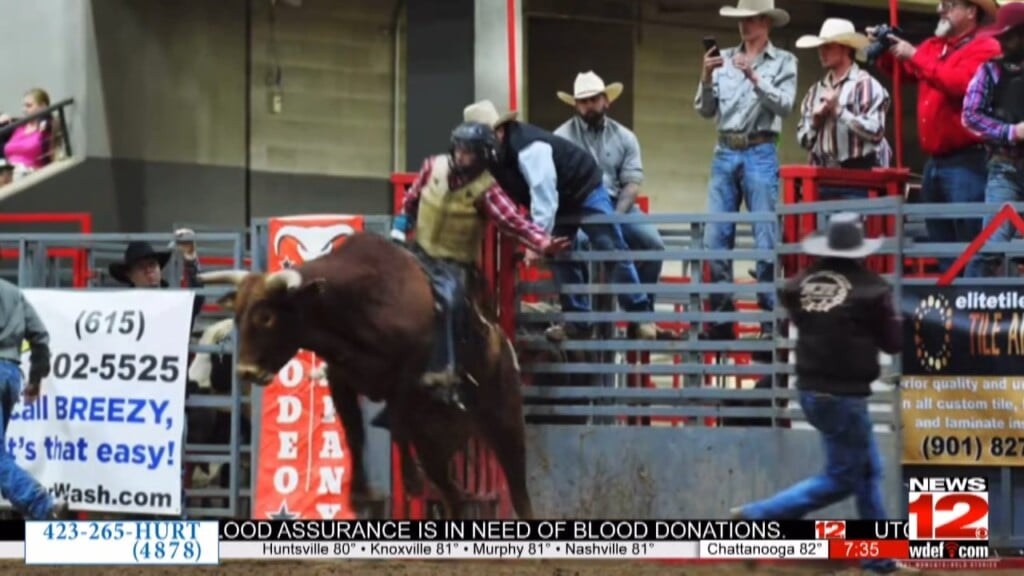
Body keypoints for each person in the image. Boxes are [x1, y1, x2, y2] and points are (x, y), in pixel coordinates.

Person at [729, 212, 911, 574]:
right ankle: (758, 517)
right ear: (859, 249)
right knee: (846, 475)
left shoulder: (801, 284)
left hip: (812, 392)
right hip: (844, 396)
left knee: (864, 470)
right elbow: (893, 343)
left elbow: (802, 318)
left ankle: (879, 558)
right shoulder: (872, 289)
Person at [390, 121, 572, 411]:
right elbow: (410, 201)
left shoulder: (487, 190)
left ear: (483, 156)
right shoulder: (432, 167)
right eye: (459, 149)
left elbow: (513, 222)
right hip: (419, 252)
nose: (461, 157)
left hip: (454, 265)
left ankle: (445, 372)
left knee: (449, 301)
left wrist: (542, 242)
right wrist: (400, 228)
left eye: (469, 153)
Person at [464, 99, 659, 341]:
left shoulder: (528, 148)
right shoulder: (493, 156)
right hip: (561, 199)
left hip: (584, 188)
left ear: (498, 131)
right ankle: (579, 322)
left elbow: (544, 196)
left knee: (609, 244)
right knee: (560, 253)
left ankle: (640, 316)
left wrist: (536, 241)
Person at [870, 0, 1001, 278]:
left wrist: (913, 56)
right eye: (942, 3)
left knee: (970, 241)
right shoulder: (932, 47)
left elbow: (960, 83)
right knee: (942, 240)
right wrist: (885, 49)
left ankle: (972, 305)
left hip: (968, 160)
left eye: (950, 4)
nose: (941, 9)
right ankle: (954, 305)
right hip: (937, 161)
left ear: (971, 11)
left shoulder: (985, 47)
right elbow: (901, 72)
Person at [694, 0, 798, 341]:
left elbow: (784, 104)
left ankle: (768, 322)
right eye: (741, 20)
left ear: (765, 22)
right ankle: (723, 321)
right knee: (714, 240)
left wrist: (754, 77)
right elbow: (705, 110)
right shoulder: (721, 59)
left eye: (750, 19)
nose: (744, 26)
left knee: (765, 238)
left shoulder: (784, 61)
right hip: (725, 149)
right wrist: (706, 77)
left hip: (761, 148)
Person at [553, 71, 675, 341]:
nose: (588, 106)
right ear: (575, 105)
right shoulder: (561, 138)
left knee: (653, 244)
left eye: (593, 99)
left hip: (619, 204)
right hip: (581, 206)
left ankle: (640, 318)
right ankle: (579, 319)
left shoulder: (624, 137)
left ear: (605, 101)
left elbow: (632, 183)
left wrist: (615, 218)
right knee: (576, 245)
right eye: (582, 101)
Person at [796, 18, 892, 199]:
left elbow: (877, 132)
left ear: (846, 48)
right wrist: (815, 124)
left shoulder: (867, 85)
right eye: (821, 47)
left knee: (853, 227)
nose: (821, 52)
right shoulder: (815, 90)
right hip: (822, 178)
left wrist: (840, 112)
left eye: (829, 46)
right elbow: (803, 140)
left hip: (857, 179)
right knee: (821, 228)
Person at [962, 1, 1024, 277]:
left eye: (1008, 35)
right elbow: (970, 115)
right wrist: (1011, 132)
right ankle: (968, 313)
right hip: (1005, 166)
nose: (1002, 42)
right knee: (991, 248)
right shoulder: (990, 71)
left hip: (1006, 167)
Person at [0, 276, 69, 519]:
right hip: (9, 372)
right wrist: (36, 379)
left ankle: (41, 503)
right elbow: (40, 338)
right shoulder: (13, 292)